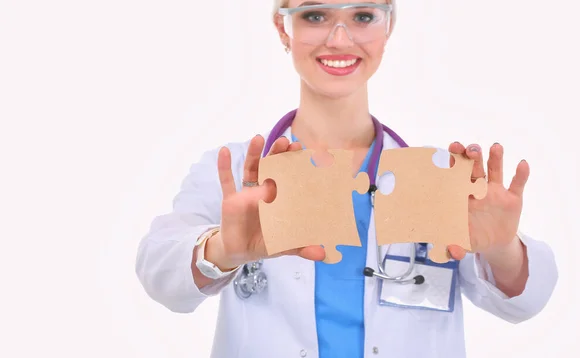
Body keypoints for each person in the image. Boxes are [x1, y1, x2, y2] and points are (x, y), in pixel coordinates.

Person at [135, 1, 558, 357]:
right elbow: (160, 275)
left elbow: (526, 303)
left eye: (363, 16)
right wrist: (223, 249)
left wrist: (503, 249)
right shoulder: (234, 173)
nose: (339, 39)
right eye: (315, 15)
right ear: (283, 28)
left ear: (388, 26)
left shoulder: (441, 176)